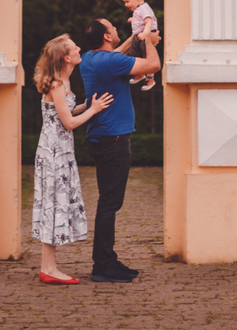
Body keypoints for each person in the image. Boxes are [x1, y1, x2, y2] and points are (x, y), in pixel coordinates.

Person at [78, 17, 161, 283]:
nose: (115, 29)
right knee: (110, 203)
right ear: (105, 36)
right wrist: (148, 40)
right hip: (114, 141)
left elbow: (116, 53)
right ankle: (103, 265)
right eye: (112, 27)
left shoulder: (91, 59)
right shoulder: (111, 62)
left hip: (102, 138)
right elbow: (154, 65)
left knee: (108, 201)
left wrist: (134, 39)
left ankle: (107, 261)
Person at [32, 33, 114, 285]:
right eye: (74, 47)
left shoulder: (63, 83)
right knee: (53, 207)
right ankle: (49, 269)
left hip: (60, 152)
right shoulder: (57, 85)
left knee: (54, 206)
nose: (79, 48)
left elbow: (64, 113)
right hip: (54, 153)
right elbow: (68, 123)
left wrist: (87, 105)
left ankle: (48, 268)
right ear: (67, 57)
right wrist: (93, 110)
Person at [121, 0, 159, 91]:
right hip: (138, 36)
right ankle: (139, 73)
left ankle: (150, 78)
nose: (126, 5)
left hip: (145, 35)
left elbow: (148, 22)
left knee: (147, 56)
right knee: (134, 53)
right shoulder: (138, 9)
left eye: (127, 1)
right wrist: (134, 20)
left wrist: (146, 34)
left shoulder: (145, 8)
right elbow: (141, 19)